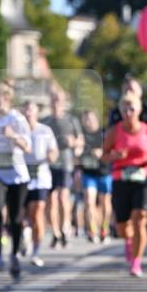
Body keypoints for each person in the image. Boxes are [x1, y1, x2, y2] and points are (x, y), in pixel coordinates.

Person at [102, 92, 147, 277]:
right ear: (120, 111)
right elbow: (104, 155)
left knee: (140, 217)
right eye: (124, 110)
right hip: (121, 177)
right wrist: (114, 156)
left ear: (139, 110)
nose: (128, 113)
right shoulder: (114, 132)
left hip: (145, 176)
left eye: (132, 109)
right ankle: (129, 241)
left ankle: (136, 262)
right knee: (122, 227)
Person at [0, 81, 31, 277]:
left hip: (16, 173)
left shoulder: (17, 118)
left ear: (7, 98)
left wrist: (13, 136)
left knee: (16, 216)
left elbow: (27, 147)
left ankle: (15, 254)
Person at [41, 90, 84, 248]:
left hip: (66, 163)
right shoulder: (44, 121)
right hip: (48, 164)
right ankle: (55, 232)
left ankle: (65, 227)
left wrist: (74, 144)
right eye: (53, 99)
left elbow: (80, 142)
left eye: (59, 99)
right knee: (50, 200)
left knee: (63, 197)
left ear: (64, 102)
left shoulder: (71, 120)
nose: (56, 103)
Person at [22, 100, 58, 267]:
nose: (28, 113)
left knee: (37, 213)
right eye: (25, 110)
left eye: (31, 110)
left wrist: (52, 155)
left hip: (41, 178)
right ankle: (25, 236)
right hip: (21, 177)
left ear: (36, 113)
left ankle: (36, 251)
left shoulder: (45, 130)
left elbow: (54, 150)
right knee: (22, 216)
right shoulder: (17, 131)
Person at [79, 108, 112, 243]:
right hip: (88, 173)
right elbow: (77, 153)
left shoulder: (105, 133)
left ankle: (104, 228)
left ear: (96, 119)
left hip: (104, 172)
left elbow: (113, 150)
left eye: (91, 119)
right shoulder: (82, 136)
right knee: (89, 201)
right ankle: (92, 231)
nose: (88, 122)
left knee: (105, 202)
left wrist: (102, 153)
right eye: (86, 119)